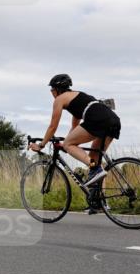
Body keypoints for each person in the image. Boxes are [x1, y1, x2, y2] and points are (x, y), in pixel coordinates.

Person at [29, 74, 121, 208]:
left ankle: (95, 170)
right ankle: (100, 202)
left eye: (52, 90)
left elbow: (53, 126)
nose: (51, 93)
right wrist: (66, 142)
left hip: (98, 119)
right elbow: (75, 129)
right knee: (94, 158)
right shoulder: (77, 98)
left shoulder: (60, 99)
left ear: (56, 89)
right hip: (113, 120)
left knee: (81, 156)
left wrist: (41, 145)